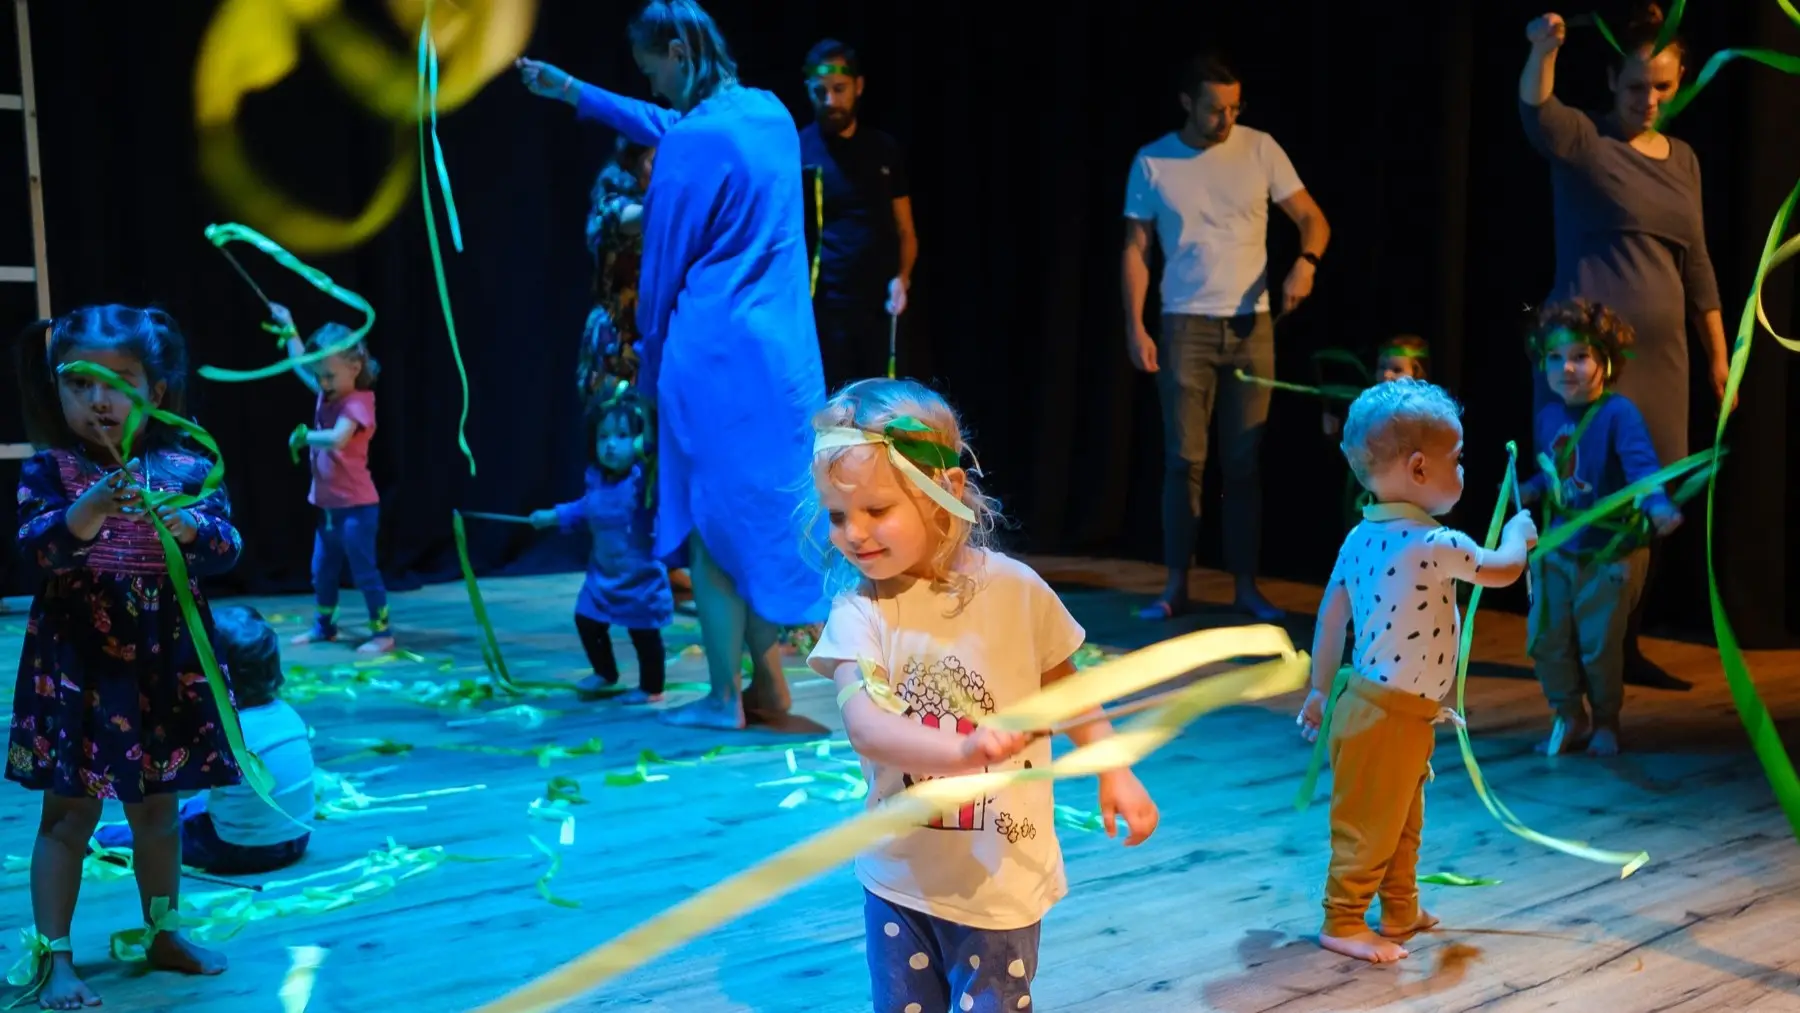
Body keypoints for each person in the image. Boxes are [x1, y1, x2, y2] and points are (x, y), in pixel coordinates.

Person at [516, 0, 826, 730]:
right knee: (759, 522)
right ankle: (770, 687)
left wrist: (649, 375)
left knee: (713, 534)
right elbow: (681, 127)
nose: (651, 85)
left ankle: (722, 699)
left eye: (652, 69)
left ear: (679, 53)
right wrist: (575, 92)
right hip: (785, 361)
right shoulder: (771, 115)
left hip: (713, 356)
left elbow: (657, 280)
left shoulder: (690, 144)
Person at [804, 378, 1160, 1011]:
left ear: (944, 491)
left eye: (876, 510)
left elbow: (1064, 685)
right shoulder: (858, 612)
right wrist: (961, 752)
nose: (853, 533)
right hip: (900, 879)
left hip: (1000, 878)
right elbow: (866, 725)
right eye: (837, 515)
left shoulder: (1018, 590)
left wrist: (1114, 769)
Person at [9, 305, 243, 1006]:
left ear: (156, 390)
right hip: (79, 669)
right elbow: (37, 552)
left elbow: (227, 548)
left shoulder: (188, 466)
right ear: (56, 390)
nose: (99, 400)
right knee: (67, 817)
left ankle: (163, 932)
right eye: (79, 383)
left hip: (162, 666)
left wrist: (192, 526)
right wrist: (89, 510)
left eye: (118, 382)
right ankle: (55, 956)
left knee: (159, 811)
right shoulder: (52, 470)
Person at [1518, 6, 1725, 687]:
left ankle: (1623, 646)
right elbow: (1538, 111)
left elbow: (1697, 264)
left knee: (1649, 494)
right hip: (1588, 366)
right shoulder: (1587, 141)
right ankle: (1570, 654)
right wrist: (1544, 49)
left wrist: (1718, 353)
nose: (1651, 100)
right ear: (1611, 80)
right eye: (1638, 86)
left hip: (1663, 363)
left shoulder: (1685, 159)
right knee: (1580, 491)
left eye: (1664, 86)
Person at [1298, 378, 1536, 964]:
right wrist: (1518, 536)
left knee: (1401, 818)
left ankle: (1400, 908)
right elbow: (1502, 570)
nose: (1463, 470)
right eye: (1458, 458)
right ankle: (1343, 919)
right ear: (1420, 468)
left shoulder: (1359, 538)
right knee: (1370, 825)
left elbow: (1331, 620)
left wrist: (1320, 690)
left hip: (1385, 709)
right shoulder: (1437, 542)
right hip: (1388, 716)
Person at [1123, 51, 1331, 624]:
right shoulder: (1153, 161)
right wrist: (1135, 324)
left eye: (1235, 108)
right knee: (1182, 461)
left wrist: (1307, 262)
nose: (1227, 119)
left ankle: (1245, 587)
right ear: (1187, 103)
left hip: (1249, 327)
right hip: (1183, 325)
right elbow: (1136, 248)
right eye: (1216, 109)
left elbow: (1313, 219)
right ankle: (1175, 585)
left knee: (1243, 464)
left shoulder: (1260, 148)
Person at [1518, 301, 1679, 756]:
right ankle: (1569, 716)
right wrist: (1530, 487)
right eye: (1554, 357)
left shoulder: (1619, 414)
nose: (1565, 368)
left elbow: (1642, 471)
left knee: (1599, 647)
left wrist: (1657, 504)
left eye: (1580, 356)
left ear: (1605, 362)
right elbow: (1556, 473)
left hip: (1609, 554)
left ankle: (1607, 720)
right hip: (1558, 549)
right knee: (1545, 640)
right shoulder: (1548, 415)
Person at [93, 605, 315, 873]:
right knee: (198, 805)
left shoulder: (221, 731)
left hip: (239, 848)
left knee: (141, 831)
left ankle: (97, 838)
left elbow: (174, 787)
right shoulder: (287, 713)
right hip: (297, 837)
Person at [530, 393, 672, 703]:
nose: (610, 445)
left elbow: (654, 451)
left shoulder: (644, 481)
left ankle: (652, 688)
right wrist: (553, 516)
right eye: (603, 436)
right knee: (587, 620)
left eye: (622, 436)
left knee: (644, 634)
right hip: (602, 576)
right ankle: (605, 672)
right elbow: (585, 508)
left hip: (640, 579)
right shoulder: (596, 480)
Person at [798, 40, 918, 388]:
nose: (830, 101)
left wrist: (903, 278)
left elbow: (906, 230)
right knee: (830, 400)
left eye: (839, 89)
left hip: (879, 307)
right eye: (820, 91)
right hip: (823, 308)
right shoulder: (799, 150)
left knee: (877, 401)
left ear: (858, 86)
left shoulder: (883, 150)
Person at [274, 305, 392, 655]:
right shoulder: (329, 392)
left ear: (354, 368)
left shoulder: (358, 403)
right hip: (328, 507)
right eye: (320, 376)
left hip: (357, 508)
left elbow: (339, 438)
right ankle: (325, 627)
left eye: (329, 376)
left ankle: (382, 633)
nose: (322, 384)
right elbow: (300, 364)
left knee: (363, 571)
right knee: (322, 571)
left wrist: (303, 436)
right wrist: (289, 326)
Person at [578, 137, 656, 402]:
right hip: (617, 336)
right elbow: (620, 218)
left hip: (657, 338)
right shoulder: (614, 195)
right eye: (654, 161)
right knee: (620, 418)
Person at [1321, 334, 1431, 439]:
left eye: (1397, 370)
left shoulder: (1427, 413)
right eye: (1382, 367)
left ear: (1417, 374)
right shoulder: (1369, 409)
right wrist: (1336, 432)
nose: (1386, 374)